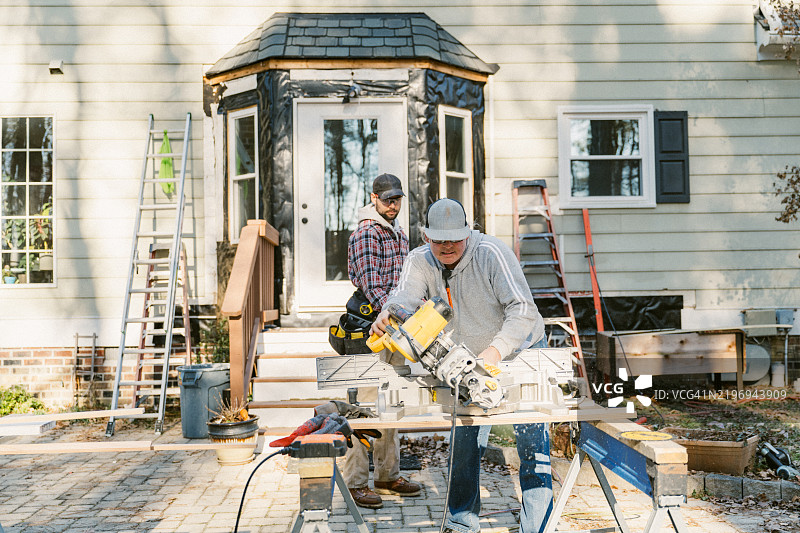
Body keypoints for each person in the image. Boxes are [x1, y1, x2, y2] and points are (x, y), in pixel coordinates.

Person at [371, 198, 552, 533]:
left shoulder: (491, 253)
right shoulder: (419, 260)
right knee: (464, 442)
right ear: (425, 236)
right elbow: (404, 299)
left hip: (518, 350)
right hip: (467, 359)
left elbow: (523, 309)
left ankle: (537, 527)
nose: (447, 246)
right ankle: (462, 523)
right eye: (439, 239)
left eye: (454, 238)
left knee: (532, 445)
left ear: (468, 232)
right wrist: (388, 312)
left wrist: (494, 354)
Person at [341, 172, 421, 509]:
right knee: (364, 407)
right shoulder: (367, 232)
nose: (393, 204)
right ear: (373, 198)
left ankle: (388, 475)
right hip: (372, 330)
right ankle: (356, 482)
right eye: (387, 198)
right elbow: (371, 284)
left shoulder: (398, 233)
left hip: (396, 326)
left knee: (393, 403)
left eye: (397, 198)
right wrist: (393, 316)